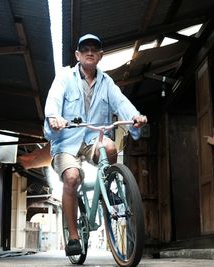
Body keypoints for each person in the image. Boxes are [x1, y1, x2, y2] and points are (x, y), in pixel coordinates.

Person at [43, 33, 147, 256]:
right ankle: (73, 237)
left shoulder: (106, 82)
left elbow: (121, 102)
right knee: (72, 178)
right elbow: (52, 102)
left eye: (94, 49)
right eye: (85, 49)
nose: (90, 52)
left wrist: (136, 116)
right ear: (78, 55)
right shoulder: (64, 78)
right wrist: (54, 118)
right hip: (66, 142)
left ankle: (109, 189)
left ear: (100, 56)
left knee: (110, 148)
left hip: (93, 139)